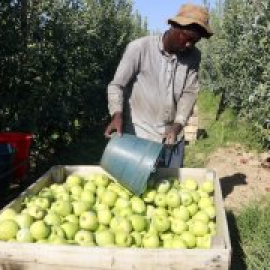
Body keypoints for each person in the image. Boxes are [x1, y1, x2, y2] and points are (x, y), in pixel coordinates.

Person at [104, 3, 213, 168]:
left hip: (172, 137)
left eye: (195, 41)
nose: (190, 45)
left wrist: (178, 125)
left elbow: (189, 92)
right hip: (140, 137)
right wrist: (116, 114)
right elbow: (117, 85)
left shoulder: (193, 56)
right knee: (138, 187)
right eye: (188, 38)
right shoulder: (140, 48)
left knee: (171, 187)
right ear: (174, 26)